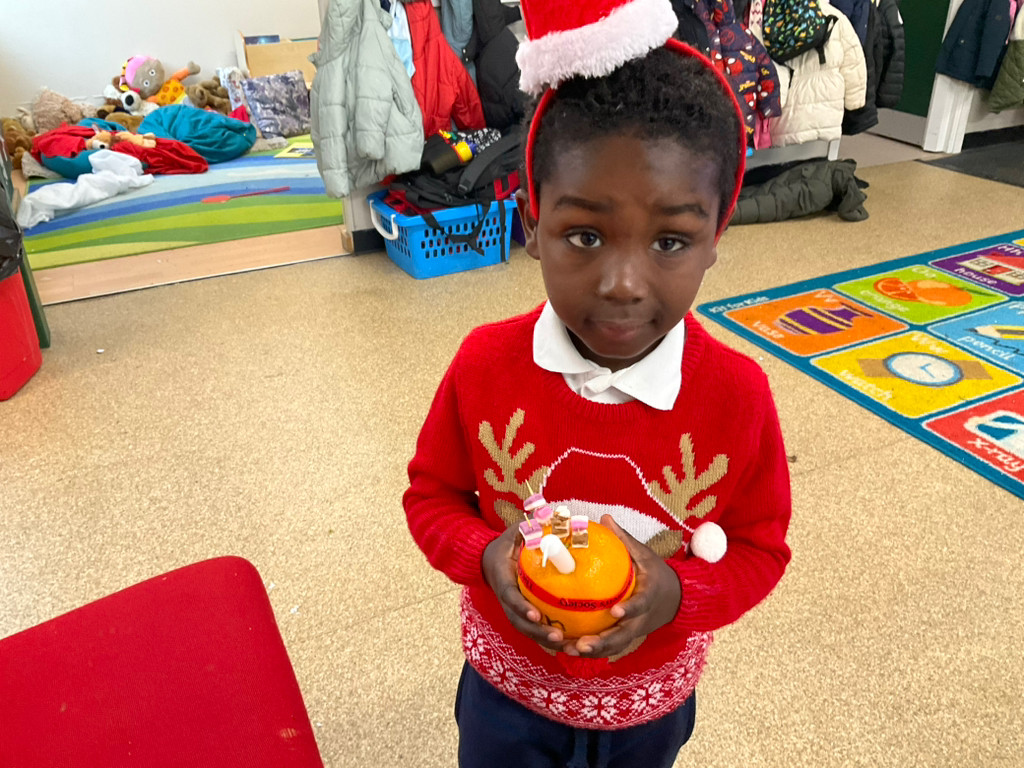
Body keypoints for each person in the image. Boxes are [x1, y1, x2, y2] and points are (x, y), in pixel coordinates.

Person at [403, 33, 792, 768]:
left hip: (649, 707)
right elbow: (431, 497)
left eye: (670, 242)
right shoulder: (484, 365)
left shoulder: (737, 396)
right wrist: (484, 554)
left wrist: (677, 595)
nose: (622, 284)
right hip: (506, 695)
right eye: (584, 235)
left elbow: (760, 549)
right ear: (532, 224)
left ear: (716, 236)